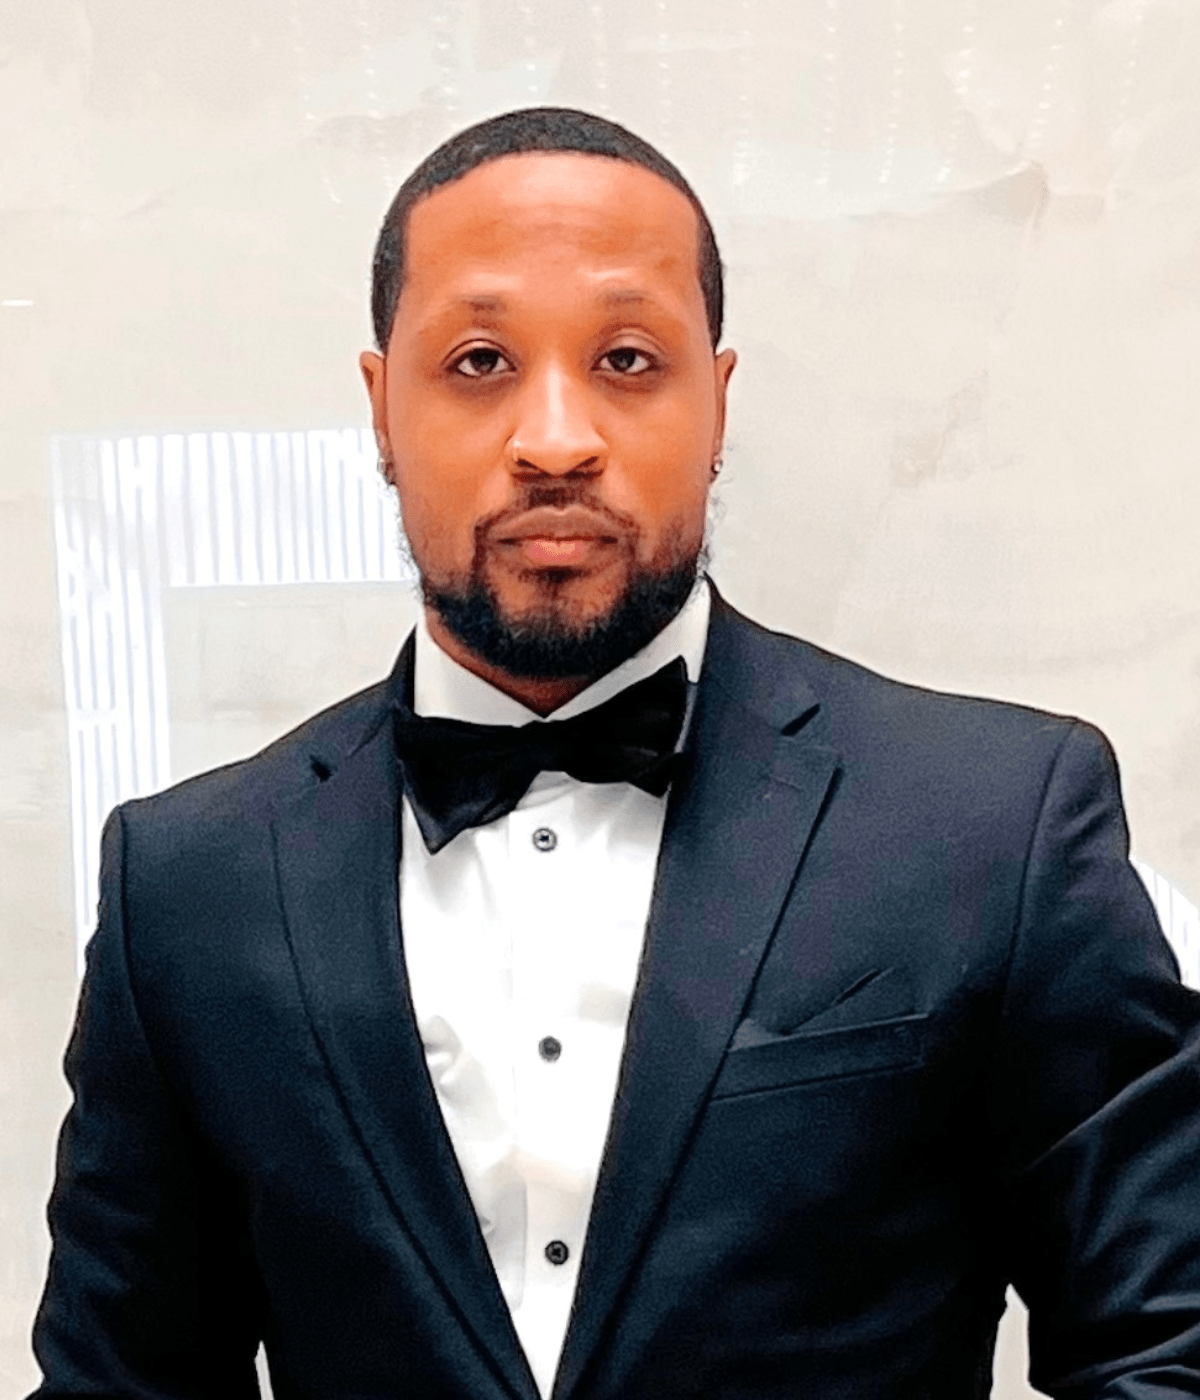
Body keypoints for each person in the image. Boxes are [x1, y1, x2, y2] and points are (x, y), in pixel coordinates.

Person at [29, 106, 1200, 1400]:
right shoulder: (186, 885)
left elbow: (1165, 1344)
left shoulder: (996, 823)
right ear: (380, 408)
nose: (554, 437)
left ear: (717, 398)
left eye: (629, 359)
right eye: (477, 360)